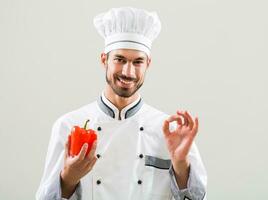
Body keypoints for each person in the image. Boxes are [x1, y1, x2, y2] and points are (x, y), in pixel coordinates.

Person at [36, 7, 207, 200]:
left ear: (148, 64)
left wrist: (181, 164)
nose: (128, 72)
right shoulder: (69, 126)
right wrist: (68, 179)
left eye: (137, 62)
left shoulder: (171, 130)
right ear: (104, 60)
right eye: (120, 59)